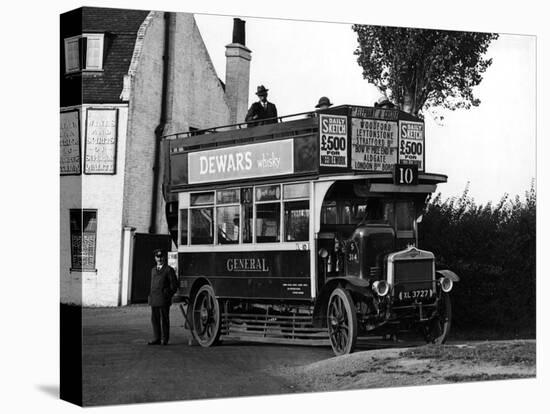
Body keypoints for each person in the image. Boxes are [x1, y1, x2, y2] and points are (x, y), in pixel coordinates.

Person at [147, 249, 178, 346]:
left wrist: (167, 295)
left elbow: (174, 285)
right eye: (157, 257)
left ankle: (165, 339)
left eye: (161, 257)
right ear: (155, 258)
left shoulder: (169, 270)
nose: (159, 259)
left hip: (164, 299)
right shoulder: (153, 270)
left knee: (164, 319)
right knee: (155, 319)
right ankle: (156, 338)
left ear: (164, 258)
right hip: (154, 299)